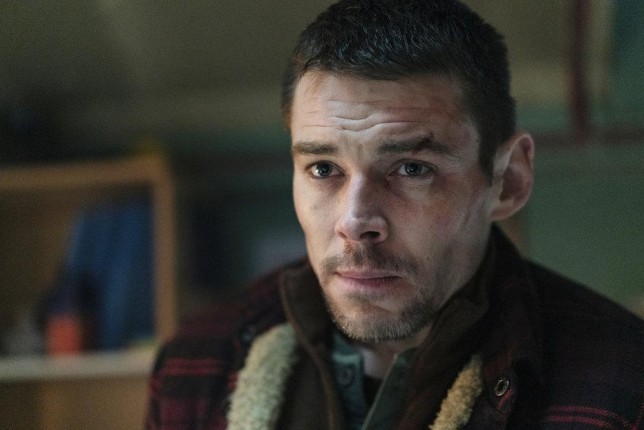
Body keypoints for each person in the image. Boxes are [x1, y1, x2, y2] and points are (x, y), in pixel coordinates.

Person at [146, 1, 644, 429]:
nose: (355, 221)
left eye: (412, 169)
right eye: (323, 168)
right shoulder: (198, 364)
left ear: (508, 181)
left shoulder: (622, 385)